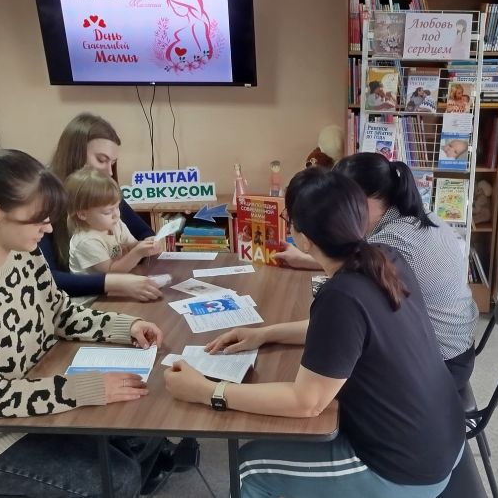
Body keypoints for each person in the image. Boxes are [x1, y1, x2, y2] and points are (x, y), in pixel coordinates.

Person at [164, 168, 465, 498]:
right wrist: (265, 334)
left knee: (248, 467)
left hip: (406, 469)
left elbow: (306, 403)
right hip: (444, 436)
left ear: (303, 238)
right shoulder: (383, 257)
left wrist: (208, 391)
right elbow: (345, 335)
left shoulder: (342, 295)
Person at [0, 146, 164, 498]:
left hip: (28, 407)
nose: (48, 227)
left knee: (143, 429)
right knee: (118, 478)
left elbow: (62, 314)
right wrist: (81, 390)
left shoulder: (23, 255)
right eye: (39, 218)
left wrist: (126, 326)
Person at [275, 153, 479, 390]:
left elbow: (346, 303)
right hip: (460, 346)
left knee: (330, 371)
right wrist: (304, 257)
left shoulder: (389, 243)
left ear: (368, 199)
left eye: (345, 201)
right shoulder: (418, 216)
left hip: (442, 365)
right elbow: (355, 258)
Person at [40, 113, 163, 302]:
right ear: (74, 155)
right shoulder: (43, 201)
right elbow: (49, 278)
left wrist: (147, 243)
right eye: (101, 160)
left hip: (110, 292)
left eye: (112, 163)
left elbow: (143, 231)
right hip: (78, 303)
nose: (109, 171)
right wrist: (115, 281)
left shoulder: (103, 197)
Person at [66, 167, 159, 306]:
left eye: (117, 207)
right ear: (83, 214)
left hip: (117, 289)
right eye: (108, 211)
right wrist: (138, 252)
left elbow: (133, 245)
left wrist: (146, 244)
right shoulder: (86, 241)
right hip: (93, 302)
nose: (116, 214)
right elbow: (111, 273)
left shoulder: (115, 224)